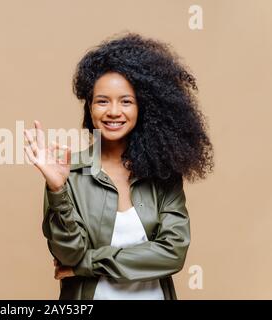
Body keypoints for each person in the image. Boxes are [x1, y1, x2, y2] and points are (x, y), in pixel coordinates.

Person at [24, 33, 214, 300]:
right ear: (89, 108)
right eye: (102, 101)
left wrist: (89, 264)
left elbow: (173, 253)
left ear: (141, 108)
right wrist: (57, 189)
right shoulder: (68, 172)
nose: (114, 111)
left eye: (126, 101)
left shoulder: (163, 173)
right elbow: (68, 255)